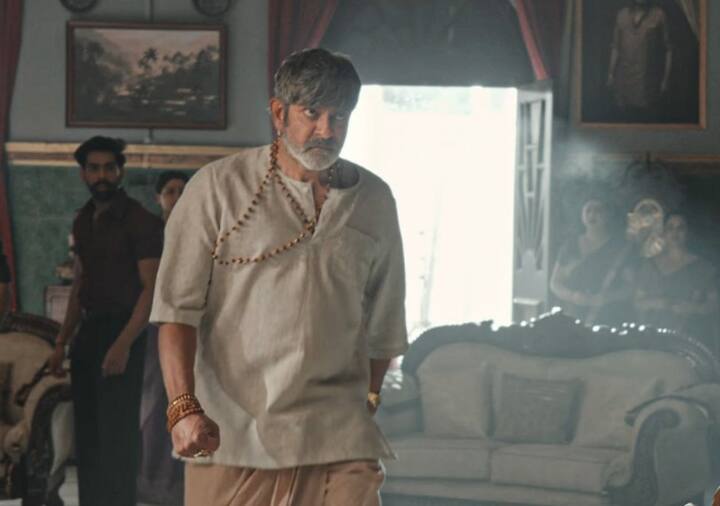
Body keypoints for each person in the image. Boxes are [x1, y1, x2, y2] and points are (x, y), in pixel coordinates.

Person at [150, 48, 408, 506]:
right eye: (312, 113)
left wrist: (367, 402)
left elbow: (384, 323)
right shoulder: (217, 188)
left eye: (339, 116)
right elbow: (176, 312)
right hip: (234, 432)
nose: (327, 130)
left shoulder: (374, 200)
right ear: (278, 113)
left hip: (338, 432)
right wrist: (183, 409)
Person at [48, 136, 163, 506]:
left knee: (118, 439)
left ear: (120, 172)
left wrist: (123, 344)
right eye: (94, 169)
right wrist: (61, 343)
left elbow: (151, 290)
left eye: (109, 168)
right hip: (89, 333)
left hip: (124, 331)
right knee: (89, 438)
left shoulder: (141, 221)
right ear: (84, 173)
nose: (102, 176)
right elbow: (79, 285)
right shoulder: (83, 220)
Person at [138, 171, 189, 505]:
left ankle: (183, 484)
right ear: (159, 198)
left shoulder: (201, 231)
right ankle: (152, 484)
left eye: (182, 190)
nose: (176, 196)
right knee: (155, 402)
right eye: (170, 191)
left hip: (192, 325)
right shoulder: (150, 235)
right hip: (156, 326)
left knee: (187, 398)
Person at [635, 213, 719, 352]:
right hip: (653, 338)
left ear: (687, 232)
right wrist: (660, 302)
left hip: (690, 340)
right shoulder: (650, 265)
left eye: (680, 228)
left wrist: (693, 308)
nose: (675, 233)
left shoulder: (703, 267)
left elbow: (714, 304)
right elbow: (637, 302)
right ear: (664, 233)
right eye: (670, 228)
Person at [550, 197, 634, 326]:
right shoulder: (570, 246)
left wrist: (605, 298)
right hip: (572, 317)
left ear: (607, 215)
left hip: (608, 318)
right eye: (588, 210)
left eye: (598, 211)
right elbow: (555, 283)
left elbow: (630, 287)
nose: (592, 215)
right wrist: (573, 296)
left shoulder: (619, 248)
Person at [606, 0, 673, 116]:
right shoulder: (622, 15)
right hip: (622, 83)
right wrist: (610, 73)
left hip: (647, 85)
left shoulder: (659, 15)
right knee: (623, 120)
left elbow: (668, 49)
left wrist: (665, 80)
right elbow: (615, 47)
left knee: (644, 119)